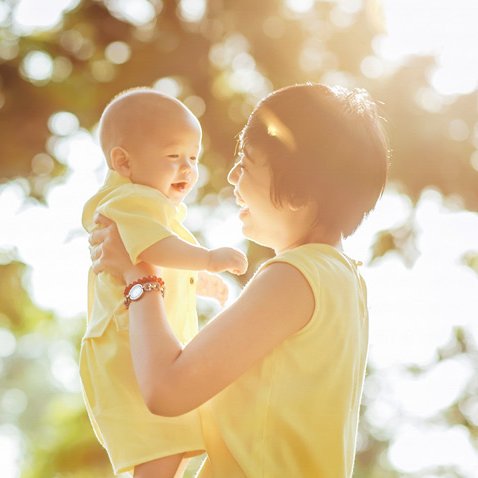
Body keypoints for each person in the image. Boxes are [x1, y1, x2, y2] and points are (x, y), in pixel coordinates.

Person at [89, 83, 389, 477]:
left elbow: (165, 391)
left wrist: (138, 274)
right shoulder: (344, 280)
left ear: (297, 191)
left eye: (245, 164)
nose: (231, 176)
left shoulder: (295, 277)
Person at [80, 88, 248, 478]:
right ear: (123, 161)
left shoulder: (147, 207)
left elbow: (154, 256)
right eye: (174, 157)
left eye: (193, 158)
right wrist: (206, 259)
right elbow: (157, 247)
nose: (187, 169)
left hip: (133, 343)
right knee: (164, 442)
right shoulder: (132, 201)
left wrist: (197, 280)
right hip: (128, 348)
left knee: (173, 444)